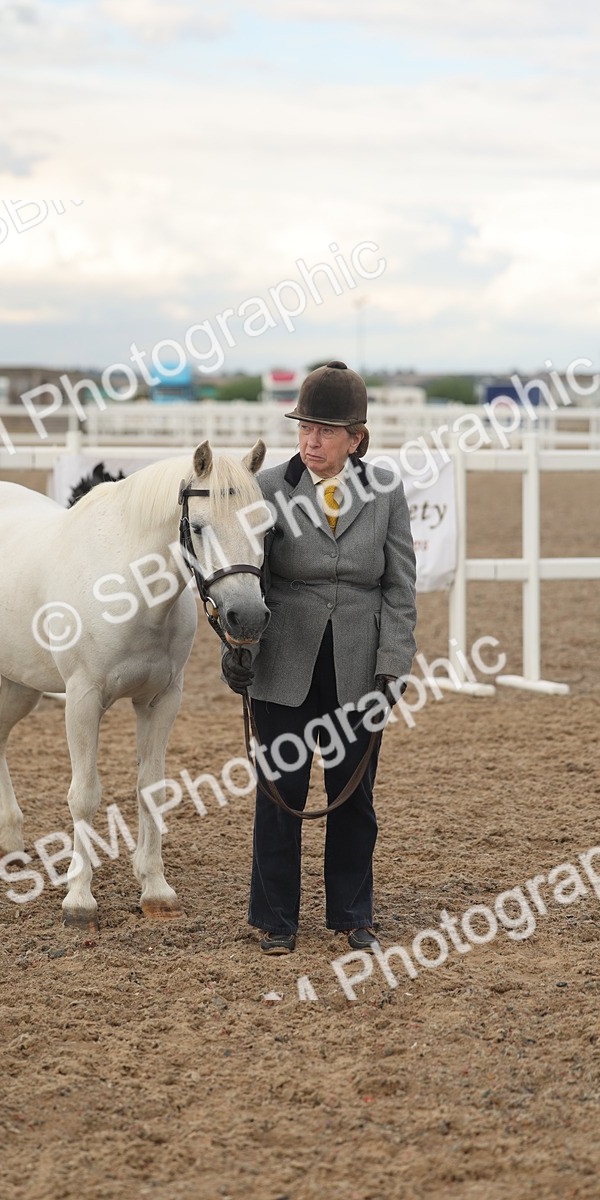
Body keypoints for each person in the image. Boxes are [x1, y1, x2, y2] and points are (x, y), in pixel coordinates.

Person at [221, 361, 417, 955]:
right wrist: (237, 648)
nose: (311, 441)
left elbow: (400, 586)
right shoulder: (268, 489)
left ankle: (354, 916)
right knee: (279, 793)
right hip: (283, 660)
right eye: (305, 428)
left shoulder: (386, 491)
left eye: (325, 431)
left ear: (355, 438)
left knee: (353, 797)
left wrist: (393, 662)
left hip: (360, 664)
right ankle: (276, 920)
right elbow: (243, 580)